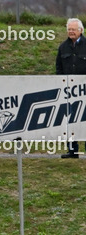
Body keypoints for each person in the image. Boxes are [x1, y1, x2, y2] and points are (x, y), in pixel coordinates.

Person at [57, 18, 86, 158]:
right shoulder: (63, 47)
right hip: (69, 91)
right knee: (70, 119)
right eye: (69, 29)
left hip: (85, 89)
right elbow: (59, 68)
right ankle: (72, 150)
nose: (71, 32)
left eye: (73, 29)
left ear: (81, 30)